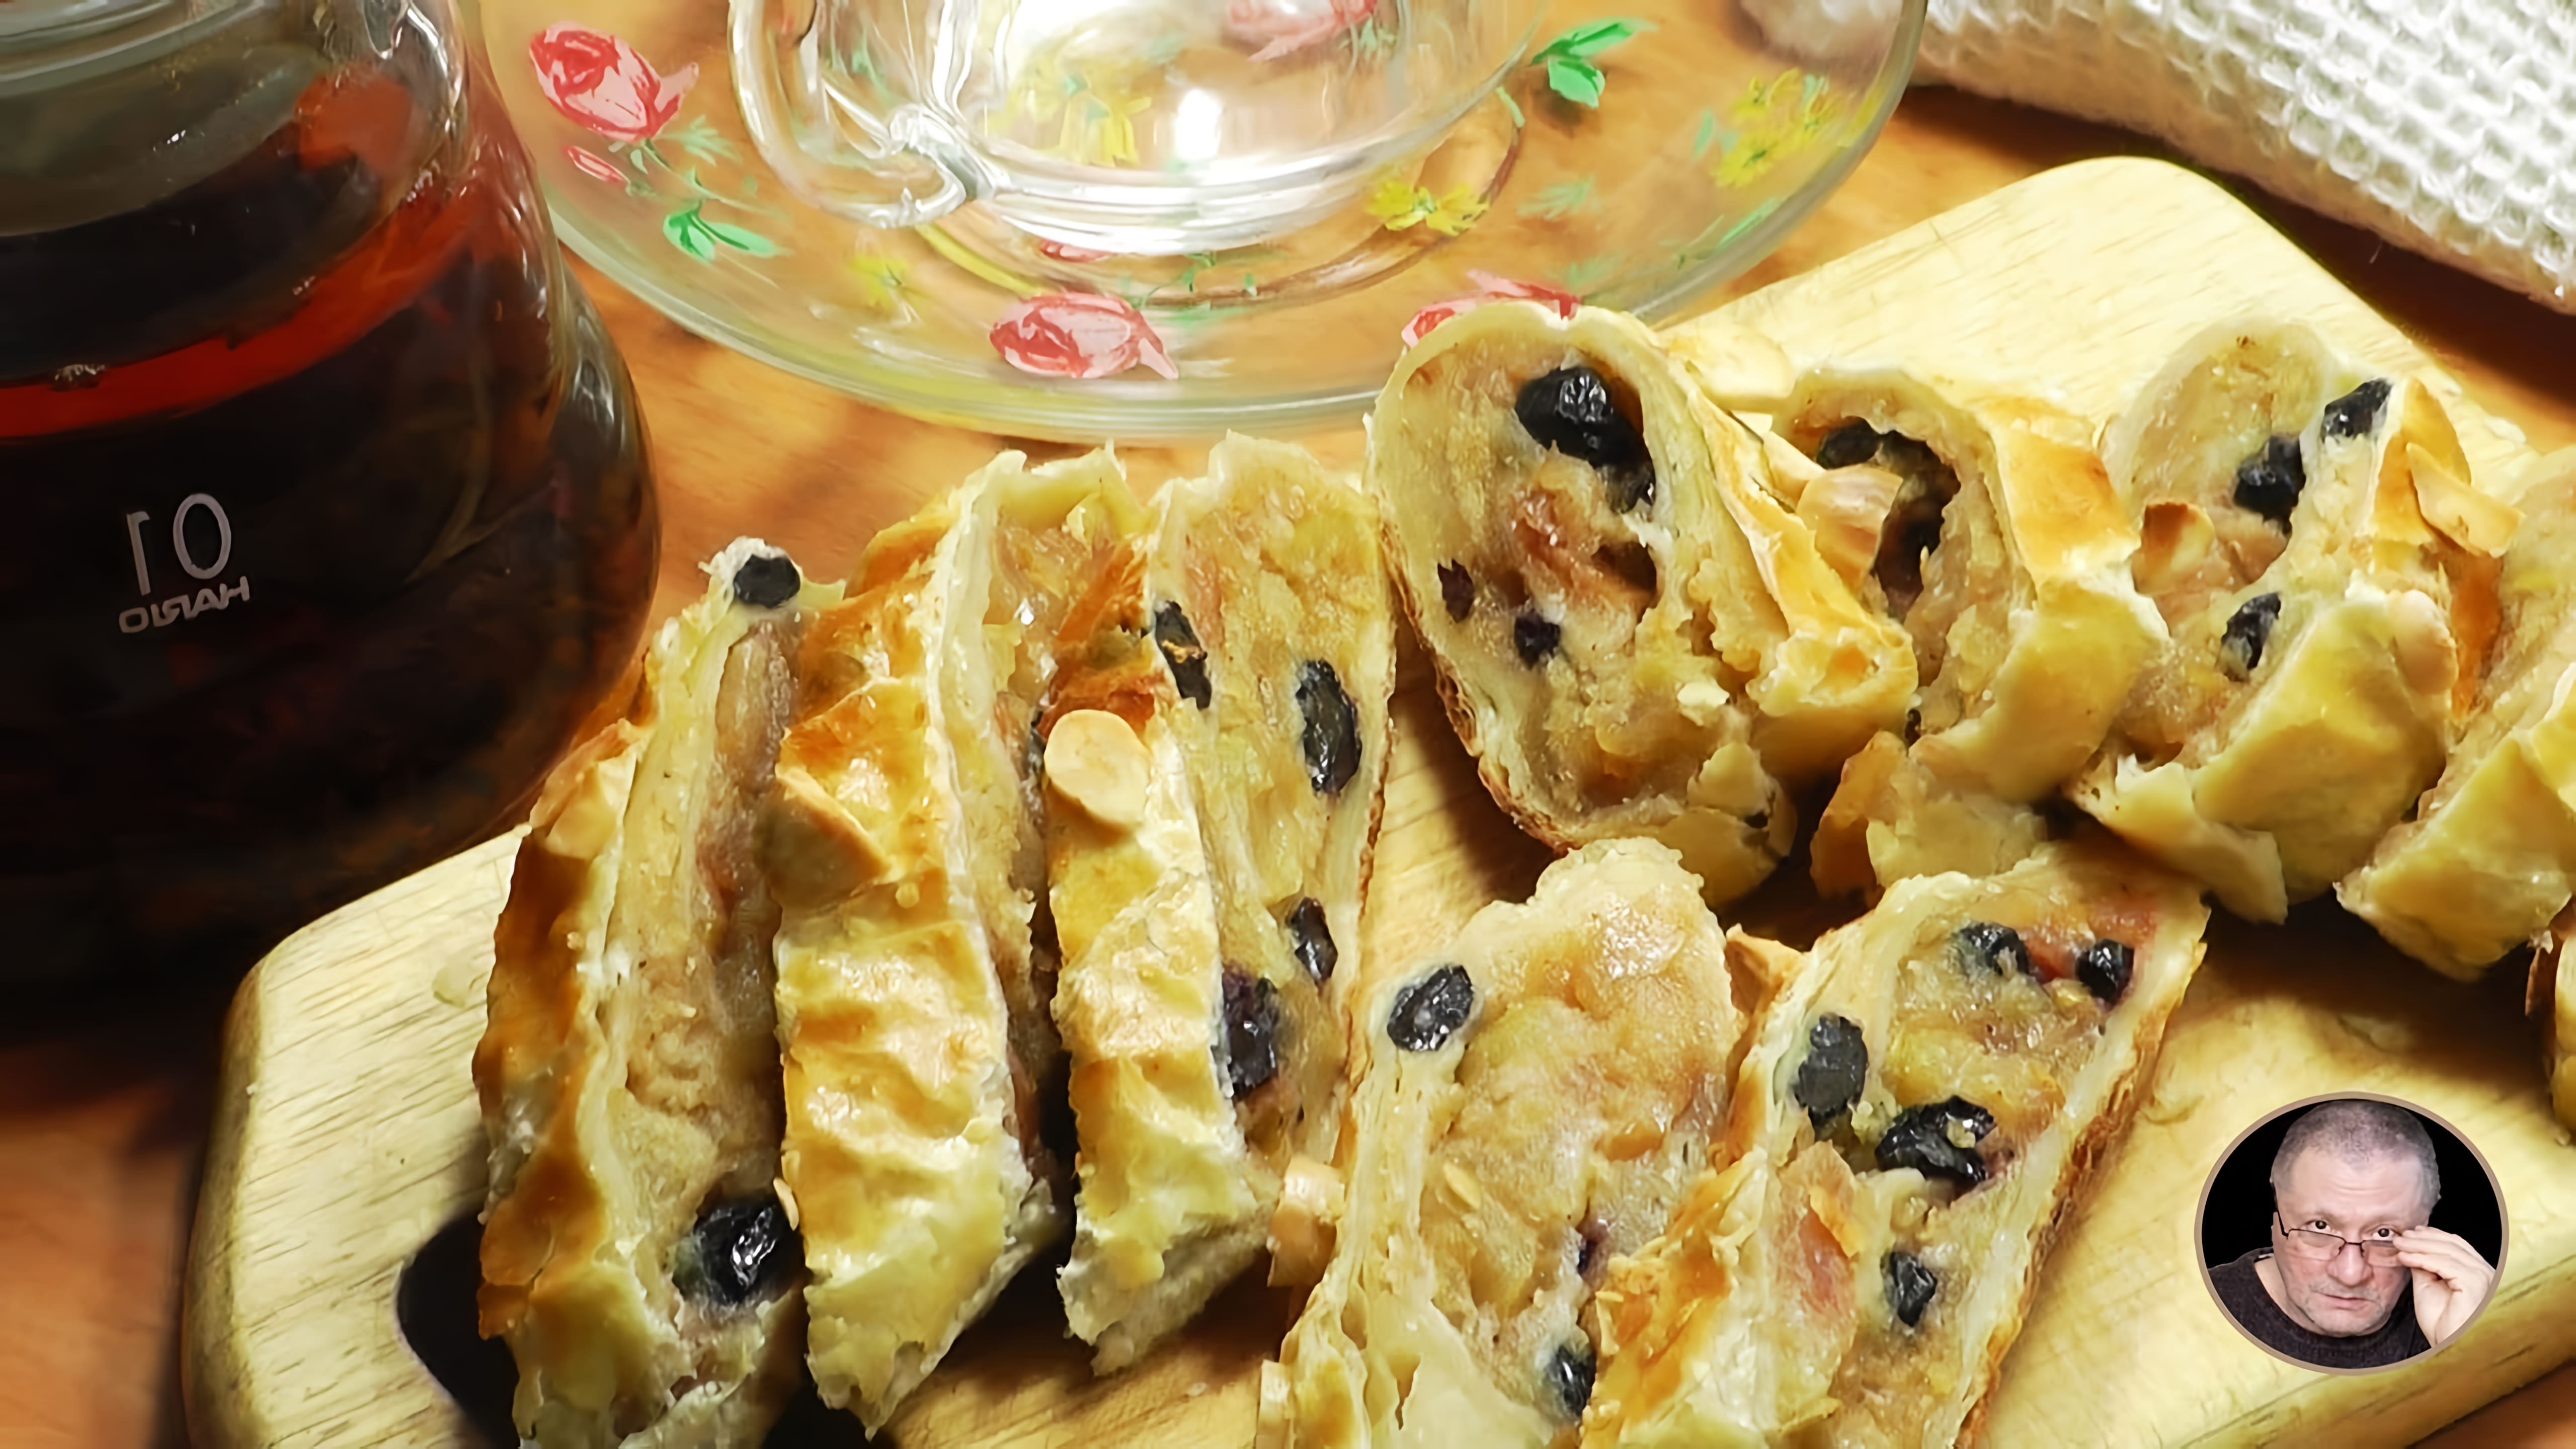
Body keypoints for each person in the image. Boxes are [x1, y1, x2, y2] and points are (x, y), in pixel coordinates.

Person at [2208, 1099, 2497, 1370]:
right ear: (2277, 1211)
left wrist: (2464, 1348)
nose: (2350, 1275)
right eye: (2319, 1226)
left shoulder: (2460, 1311)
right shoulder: (2198, 1313)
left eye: (2384, 1233)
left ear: (2428, 1222)